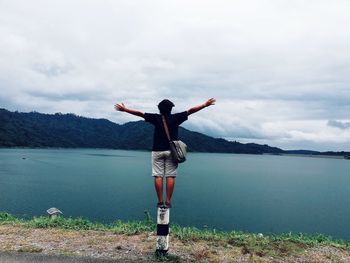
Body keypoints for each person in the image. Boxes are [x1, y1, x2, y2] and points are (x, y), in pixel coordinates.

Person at [114, 98, 216, 208]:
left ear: (159, 109)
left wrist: (125, 109)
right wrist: (205, 104)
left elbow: (140, 113)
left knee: (158, 176)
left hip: (157, 151)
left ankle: (159, 201)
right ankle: (167, 201)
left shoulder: (155, 118)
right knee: (170, 176)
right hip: (172, 152)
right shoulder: (176, 118)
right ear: (171, 109)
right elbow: (190, 111)